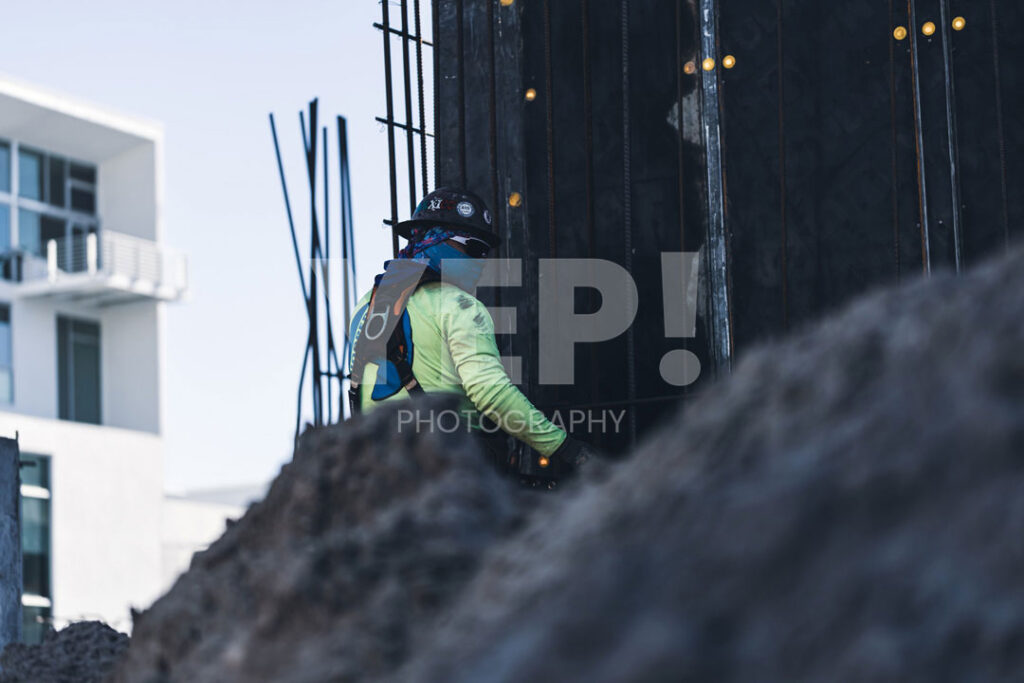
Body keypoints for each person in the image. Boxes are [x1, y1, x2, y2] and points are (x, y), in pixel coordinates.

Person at [347, 188, 592, 478]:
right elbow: (491, 393)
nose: (482, 262)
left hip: (376, 475)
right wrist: (567, 449)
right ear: (435, 239)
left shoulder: (366, 305)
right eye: (474, 249)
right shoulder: (460, 305)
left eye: (485, 253)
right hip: (445, 476)